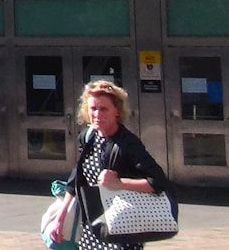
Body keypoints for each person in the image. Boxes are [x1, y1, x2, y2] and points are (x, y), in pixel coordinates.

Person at [50, 80, 174, 250]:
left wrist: (119, 183)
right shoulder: (88, 137)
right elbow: (76, 179)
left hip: (122, 227)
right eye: (93, 108)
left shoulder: (127, 143)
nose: (97, 114)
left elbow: (158, 182)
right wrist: (61, 217)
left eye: (103, 109)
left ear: (117, 111)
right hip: (92, 226)